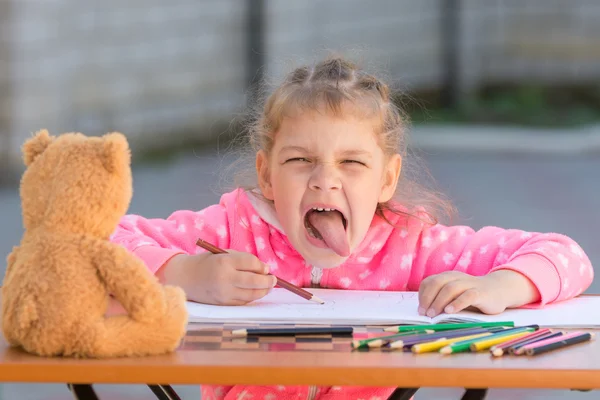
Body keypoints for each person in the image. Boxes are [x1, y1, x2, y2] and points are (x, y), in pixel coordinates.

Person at [110, 57, 594, 400]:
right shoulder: (233, 229)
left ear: (387, 178)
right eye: (300, 160)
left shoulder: (409, 245)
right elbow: (104, 242)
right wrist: (185, 272)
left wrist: (500, 286)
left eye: (352, 163)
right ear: (265, 174)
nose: (325, 179)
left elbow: (567, 255)